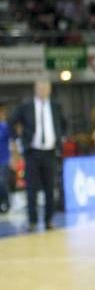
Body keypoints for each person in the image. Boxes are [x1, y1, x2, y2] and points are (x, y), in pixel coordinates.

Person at [9, 79, 65, 231]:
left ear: (50, 90)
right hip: (32, 152)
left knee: (50, 188)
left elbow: (63, 124)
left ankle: (49, 221)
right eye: (40, 88)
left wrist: (60, 139)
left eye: (46, 88)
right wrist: (17, 140)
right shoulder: (26, 106)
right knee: (31, 189)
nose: (43, 91)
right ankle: (32, 221)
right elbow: (11, 122)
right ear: (35, 89)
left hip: (50, 152)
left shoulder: (55, 106)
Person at [0, 100, 11, 213]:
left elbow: (12, 141)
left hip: (3, 159)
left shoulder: (4, 126)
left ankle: (6, 202)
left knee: (2, 181)